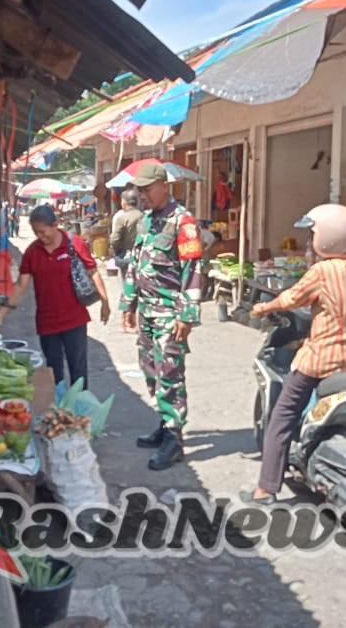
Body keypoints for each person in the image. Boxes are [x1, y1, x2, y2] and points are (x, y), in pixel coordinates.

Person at [240, 204, 346, 504]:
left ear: (329, 237)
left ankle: (266, 488)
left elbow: (292, 298)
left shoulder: (322, 271)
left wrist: (262, 307)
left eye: (312, 235)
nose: (309, 242)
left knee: (283, 414)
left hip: (325, 360)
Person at [121, 162, 203, 471]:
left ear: (164, 186)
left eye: (147, 189)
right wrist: (128, 305)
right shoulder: (146, 222)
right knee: (151, 370)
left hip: (170, 312)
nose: (143, 195)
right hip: (147, 311)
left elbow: (192, 270)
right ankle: (164, 422)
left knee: (170, 373)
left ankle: (174, 438)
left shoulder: (183, 223)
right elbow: (134, 264)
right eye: (139, 191)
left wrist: (187, 314)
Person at [0, 205, 110, 389]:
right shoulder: (32, 252)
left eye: (43, 232)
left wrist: (105, 301)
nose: (40, 236)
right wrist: (3, 312)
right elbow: (21, 284)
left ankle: (81, 412)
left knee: (78, 371)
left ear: (55, 225)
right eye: (36, 232)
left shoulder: (74, 243)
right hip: (47, 322)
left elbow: (92, 271)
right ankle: (60, 410)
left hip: (74, 319)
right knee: (54, 371)